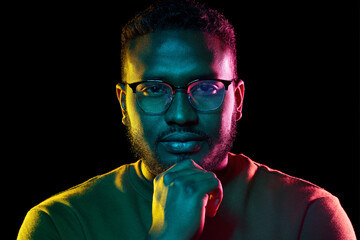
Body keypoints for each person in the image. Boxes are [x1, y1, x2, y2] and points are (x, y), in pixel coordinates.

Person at [18, 0, 356, 239]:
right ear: (123, 103)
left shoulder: (308, 214)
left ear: (237, 99)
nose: (181, 114)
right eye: (153, 89)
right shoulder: (60, 224)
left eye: (206, 87)